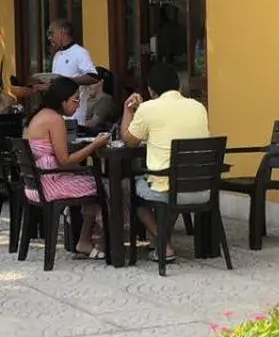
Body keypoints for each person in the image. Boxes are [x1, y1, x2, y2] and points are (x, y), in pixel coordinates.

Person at [120, 62, 210, 262]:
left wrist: (128, 110)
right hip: (201, 187)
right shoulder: (198, 107)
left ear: (151, 90)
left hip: (168, 188)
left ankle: (162, 242)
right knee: (171, 185)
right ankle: (162, 239)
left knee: (128, 187)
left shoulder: (148, 108)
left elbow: (129, 140)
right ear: (179, 86)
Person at [24, 77, 109, 258]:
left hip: (36, 183)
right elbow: (65, 161)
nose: (78, 105)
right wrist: (95, 145)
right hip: (50, 184)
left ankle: (85, 240)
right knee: (102, 186)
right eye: (75, 100)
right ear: (62, 100)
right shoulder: (54, 119)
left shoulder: (41, 114)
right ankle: (100, 241)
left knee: (92, 181)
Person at [45, 20, 98, 122]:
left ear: (62, 32)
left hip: (75, 116)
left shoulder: (80, 52)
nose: (49, 38)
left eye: (51, 33)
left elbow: (93, 77)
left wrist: (67, 81)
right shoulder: (57, 56)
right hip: (57, 115)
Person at [83, 67, 118, 131]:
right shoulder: (89, 99)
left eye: (91, 82)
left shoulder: (105, 99)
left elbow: (94, 123)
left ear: (100, 82)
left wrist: (78, 124)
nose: (88, 86)